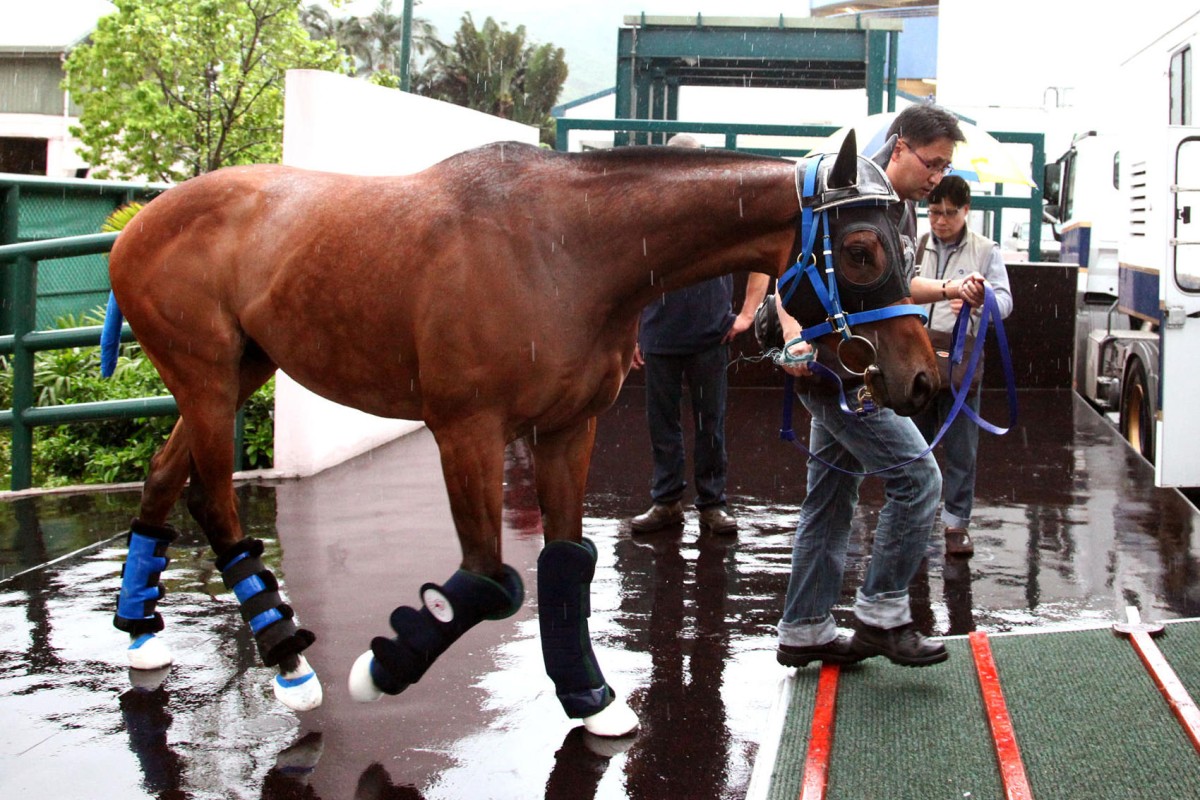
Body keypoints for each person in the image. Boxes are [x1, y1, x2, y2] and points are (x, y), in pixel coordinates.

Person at [764, 103, 986, 669]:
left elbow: (891, 285)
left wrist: (951, 288)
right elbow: (778, 260)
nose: (938, 178)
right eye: (932, 163)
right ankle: (882, 613)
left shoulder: (894, 206)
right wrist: (787, 333)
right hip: (841, 374)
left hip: (847, 371)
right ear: (900, 147)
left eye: (943, 168)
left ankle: (806, 627)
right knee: (918, 478)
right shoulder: (846, 191)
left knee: (830, 501)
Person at [629, 134, 768, 536]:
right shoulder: (652, 214)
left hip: (711, 335)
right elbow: (631, 276)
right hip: (659, 336)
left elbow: (761, 255)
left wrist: (748, 313)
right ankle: (667, 501)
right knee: (663, 426)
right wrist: (632, 332)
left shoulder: (723, 213)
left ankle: (711, 503)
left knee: (711, 424)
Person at [912, 175, 1014, 558]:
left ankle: (956, 526)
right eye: (933, 211)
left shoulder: (986, 251)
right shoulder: (917, 245)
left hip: (962, 362)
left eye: (949, 213)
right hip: (917, 357)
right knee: (913, 446)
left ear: (966, 210)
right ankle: (914, 519)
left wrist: (981, 302)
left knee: (960, 449)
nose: (939, 221)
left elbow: (1005, 303)